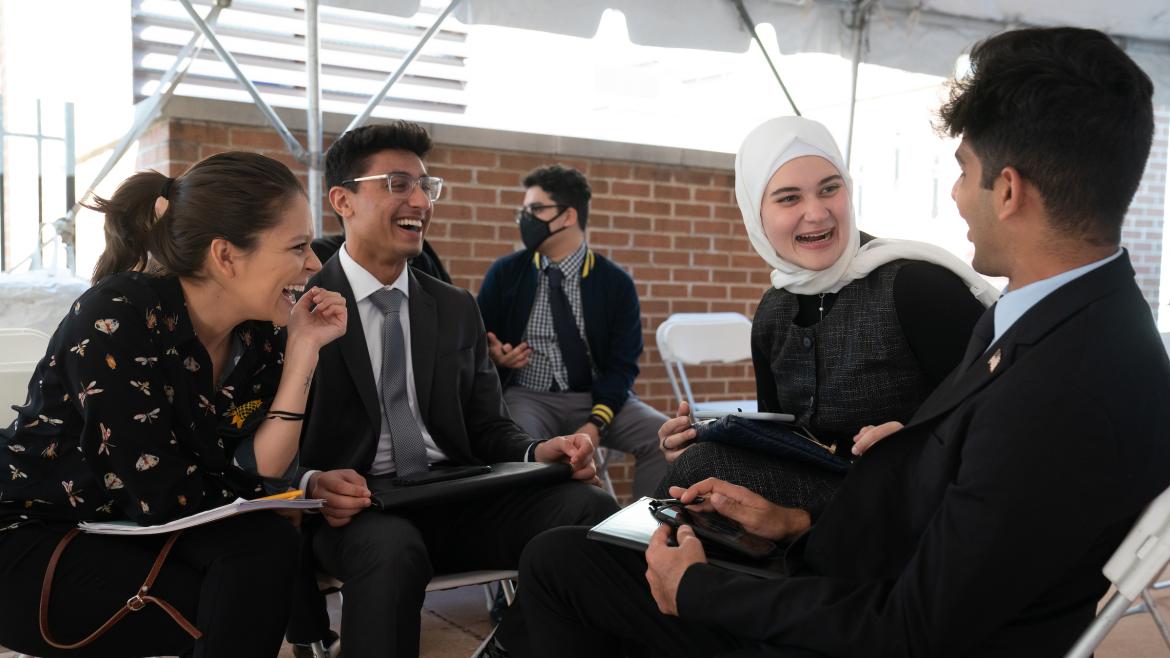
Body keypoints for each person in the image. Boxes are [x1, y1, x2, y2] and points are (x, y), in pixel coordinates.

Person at [490, 26, 1170, 657]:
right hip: (850, 568)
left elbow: (914, 623)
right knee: (579, 552)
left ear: (1011, 191)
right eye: (786, 198)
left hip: (868, 628)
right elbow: (947, 532)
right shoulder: (1059, 324)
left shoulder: (1060, 384)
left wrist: (701, 591)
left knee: (563, 570)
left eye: (964, 171)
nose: (957, 197)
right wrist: (792, 525)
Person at [289, 121, 618, 658]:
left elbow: (487, 425)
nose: (420, 200)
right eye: (397, 183)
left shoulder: (454, 306)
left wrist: (537, 451)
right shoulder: (297, 305)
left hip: (456, 495)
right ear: (342, 200)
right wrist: (310, 481)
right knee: (392, 552)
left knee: (592, 511)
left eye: (426, 185)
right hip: (357, 513)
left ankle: (508, 649)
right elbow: (256, 441)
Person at [0, 152, 348, 657]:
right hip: (34, 535)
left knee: (262, 554)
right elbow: (157, 492)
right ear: (226, 255)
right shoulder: (116, 315)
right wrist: (280, 495)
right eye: (297, 246)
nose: (315, 263)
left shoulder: (260, 337)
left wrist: (301, 357)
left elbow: (257, 470)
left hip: (139, 532)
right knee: (251, 569)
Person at [654, 115, 992, 516]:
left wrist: (916, 439)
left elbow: (1002, 413)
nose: (816, 214)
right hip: (820, 509)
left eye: (829, 189)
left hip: (914, 503)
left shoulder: (916, 286)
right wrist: (697, 437)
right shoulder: (773, 313)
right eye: (789, 198)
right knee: (700, 472)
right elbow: (778, 441)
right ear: (755, 213)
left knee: (705, 467)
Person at [477, 165, 668, 498]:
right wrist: (495, 357)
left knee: (663, 437)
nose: (526, 219)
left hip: (596, 397)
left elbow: (623, 367)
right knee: (519, 449)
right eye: (523, 212)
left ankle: (644, 536)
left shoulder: (615, 284)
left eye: (535, 210)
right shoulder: (506, 274)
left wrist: (595, 424)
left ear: (567, 216)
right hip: (527, 397)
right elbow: (474, 346)